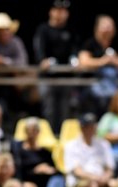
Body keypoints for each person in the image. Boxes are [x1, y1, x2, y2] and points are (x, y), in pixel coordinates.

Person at [33, 0, 79, 133]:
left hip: (66, 77)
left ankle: (62, 137)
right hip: (48, 77)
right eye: (57, 10)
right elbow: (39, 49)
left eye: (63, 11)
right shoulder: (43, 29)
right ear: (51, 12)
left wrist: (75, 58)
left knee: (65, 110)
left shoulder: (70, 30)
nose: (60, 14)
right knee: (49, 109)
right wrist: (42, 60)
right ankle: (49, 136)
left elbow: (75, 48)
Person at [64, 112, 115, 187]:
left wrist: (105, 178)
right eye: (87, 126)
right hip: (80, 180)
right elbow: (77, 171)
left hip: (101, 179)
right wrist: (96, 178)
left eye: (92, 126)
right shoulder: (71, 145)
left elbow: (109, 169)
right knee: (92, 186)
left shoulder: (104, 144)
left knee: (116, 185)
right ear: (81, 128)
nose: (90, 129)